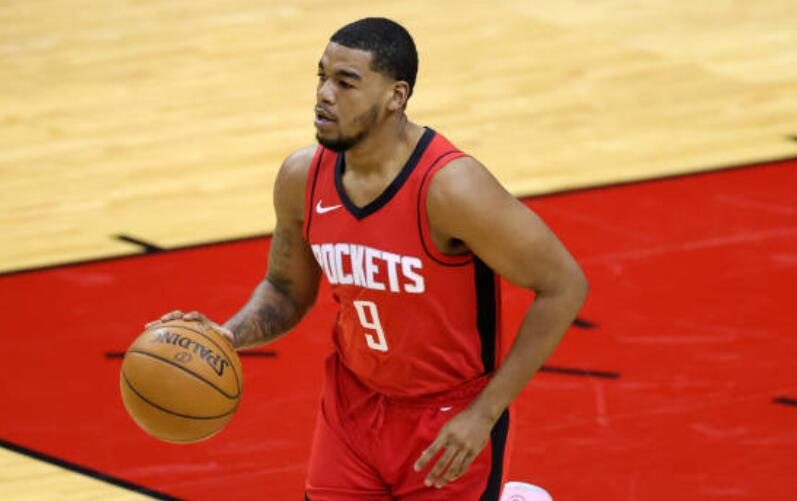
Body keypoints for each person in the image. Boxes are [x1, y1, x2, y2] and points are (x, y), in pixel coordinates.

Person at [150, 17, 588, 501]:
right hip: (352, 405)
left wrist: (484, 414)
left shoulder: (451, 189)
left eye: (346, 82)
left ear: (396, 96)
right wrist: (227, 335)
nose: (324, 95)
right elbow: (285, 289)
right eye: (321, 77)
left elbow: (564, 285)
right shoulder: (302, 178)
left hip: (446, 419)